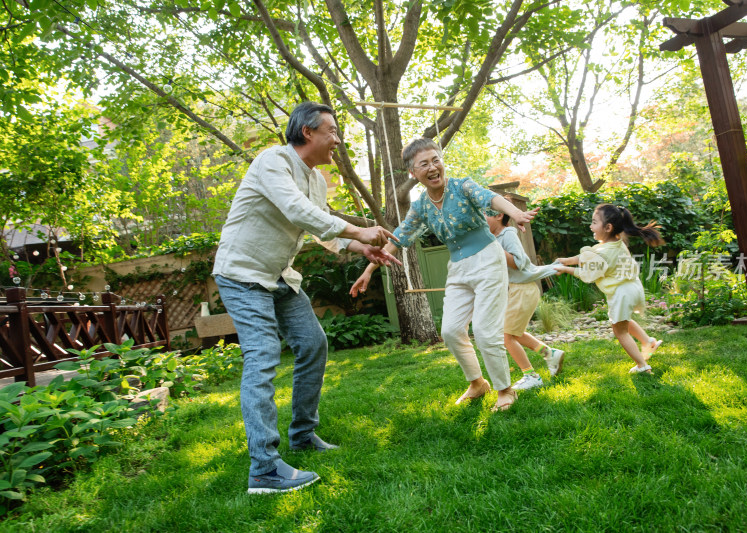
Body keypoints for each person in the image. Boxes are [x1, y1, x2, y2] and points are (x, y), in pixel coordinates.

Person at [213, 101, 401, 494]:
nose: (337, 139)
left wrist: (360, 249)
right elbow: (297, 211)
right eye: (331, 131)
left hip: (279, 276)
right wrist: (357, 230)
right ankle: (264, 468)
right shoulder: (272, 161)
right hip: (242, 274)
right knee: (263, 358)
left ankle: (302, 435)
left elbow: (321, 228)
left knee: (313, 344)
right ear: (307, 132)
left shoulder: (316, 181)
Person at [349, 138, 539, 412]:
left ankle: (505, 390)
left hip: (487, 259)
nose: (432, 167)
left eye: (435, 159)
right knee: (450, 331)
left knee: (485, 331)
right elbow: (399, 237)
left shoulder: (462, 186)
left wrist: (515, 212)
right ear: (413, 174)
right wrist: (369, 269)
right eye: (423, 164)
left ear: (442, 161)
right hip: (459, 267)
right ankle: (477, 383)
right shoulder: (421, 206)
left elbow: (491, 198)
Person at [553, 204, 664, 374]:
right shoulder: (616, 243)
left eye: (594, 222)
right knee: (622, 320)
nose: (591, 226)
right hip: (633, 287)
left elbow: (587, 274)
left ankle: (643, 366)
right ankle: (648, 341)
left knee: (619, 330)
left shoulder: (604, 252)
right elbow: (586, 257)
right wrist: (567, 261)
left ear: (608, 227)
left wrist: (565, 269)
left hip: (621, 293)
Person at [484, 209, 564, 390]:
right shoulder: (495, 238)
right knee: (514, 332)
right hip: (516, 290)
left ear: (498, 216)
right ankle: (550, 353)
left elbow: (519, 263)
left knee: (506, 336)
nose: (481, 218)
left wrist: (495, 248)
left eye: (484, 214)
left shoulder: (508, 234)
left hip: (522, 290)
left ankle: (531, 376)